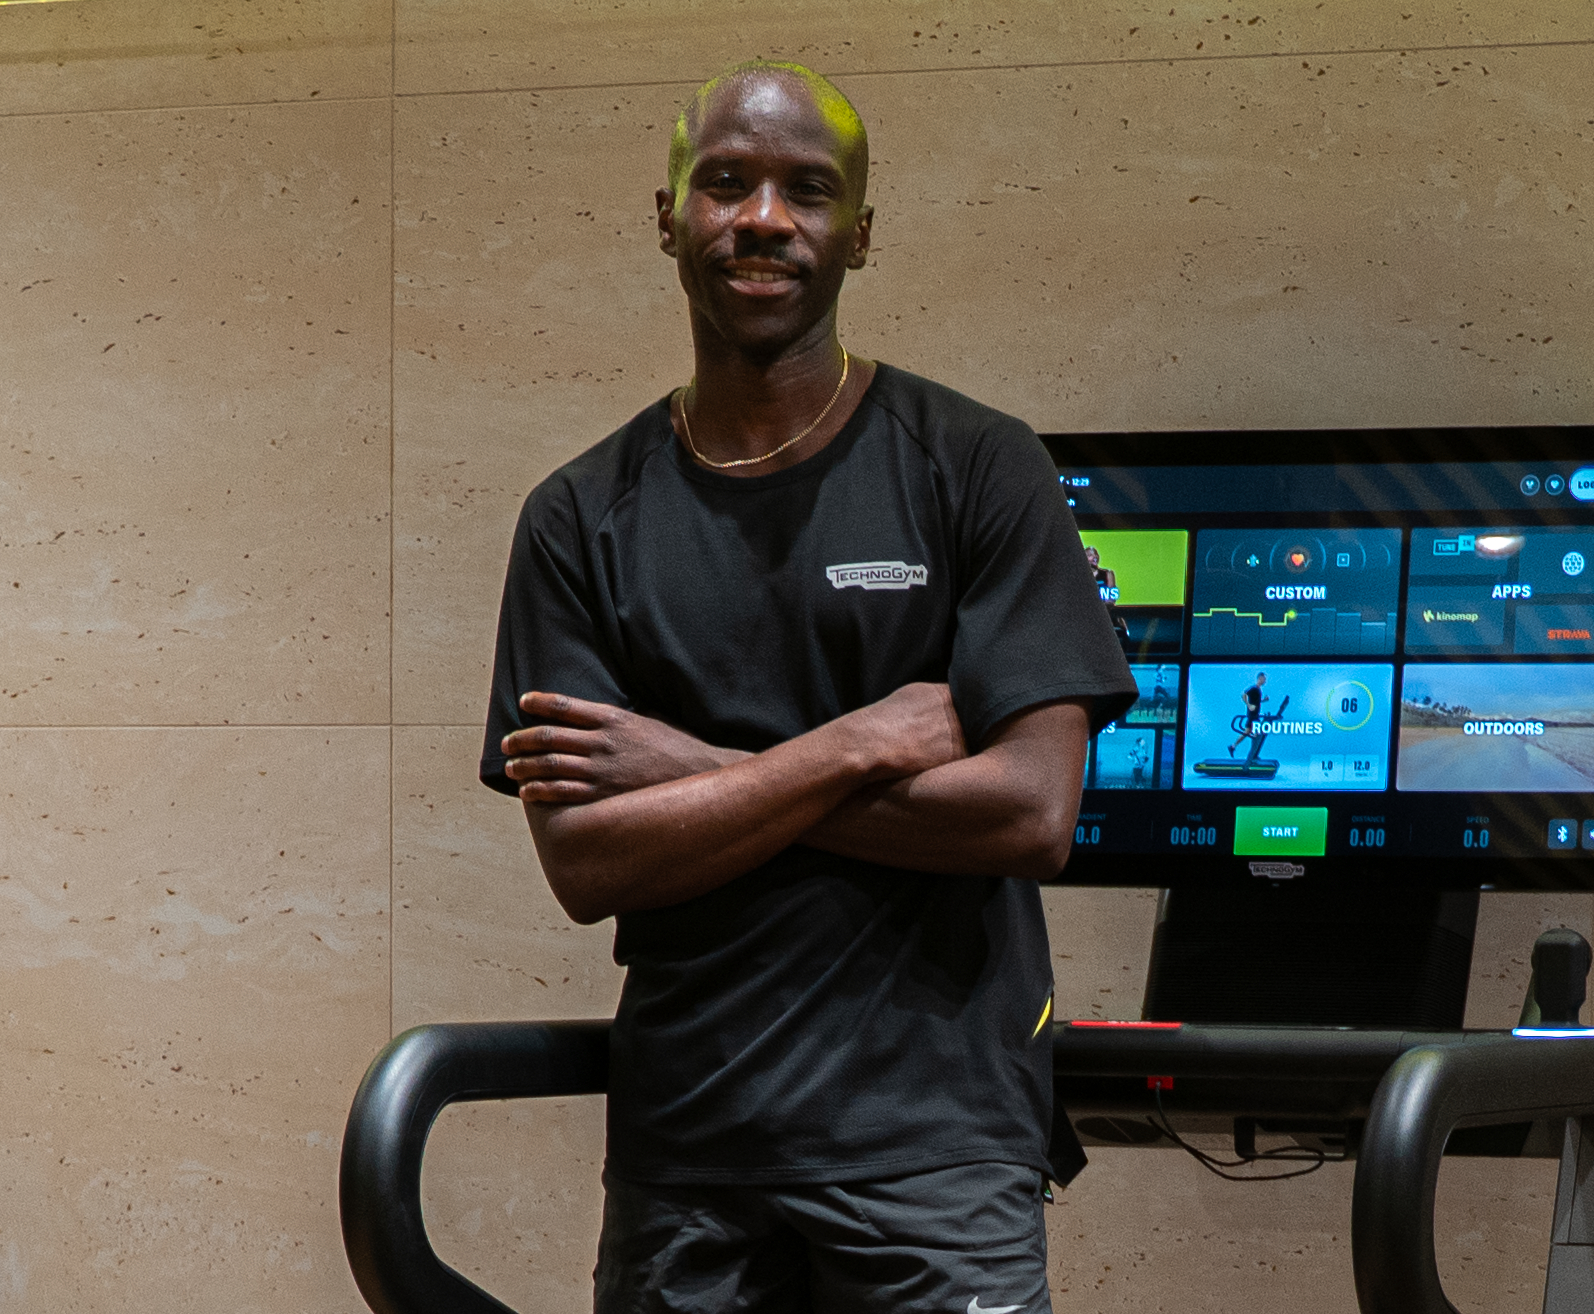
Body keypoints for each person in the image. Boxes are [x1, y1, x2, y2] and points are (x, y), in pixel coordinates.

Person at [479, 59, 1136, 1314]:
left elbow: (1028, 814)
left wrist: (692, 773)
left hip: (936, 1156)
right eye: (725, 182)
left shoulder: (977, 467)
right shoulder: (577, 516)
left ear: (860, 233)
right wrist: (856, 745)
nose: (764, 218)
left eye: (808, 190)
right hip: (687, 1158)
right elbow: (587, 864)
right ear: (666, 217)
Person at [1229, 671, 1268, 756]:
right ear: (1260, 678)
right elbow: (1243, 694)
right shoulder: (1254, 688)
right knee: (1256, 733)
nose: (1265, 681)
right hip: (1252, 715)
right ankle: (1252, 755)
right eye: (1264, 679)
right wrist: (1249, 705)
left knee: (1250, 732)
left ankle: (1233, 746)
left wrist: (1264, 700)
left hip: (1255, 715)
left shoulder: (1258, 690)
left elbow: (1256, 701)